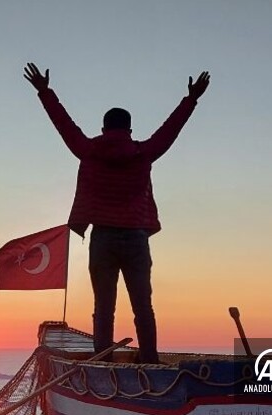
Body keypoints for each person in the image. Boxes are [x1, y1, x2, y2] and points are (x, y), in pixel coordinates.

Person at [23, 62, 209, 363]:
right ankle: (149, 358)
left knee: (104, 305)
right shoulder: (143, 153)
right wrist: (191, 99)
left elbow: (64, 125)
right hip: (136, 239)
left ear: (104, 129)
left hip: (103, 238)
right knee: (143, 305)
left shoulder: (88, 150)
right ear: (129, 130)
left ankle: (102, 360)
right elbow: (170, 130)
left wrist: (45, 91)